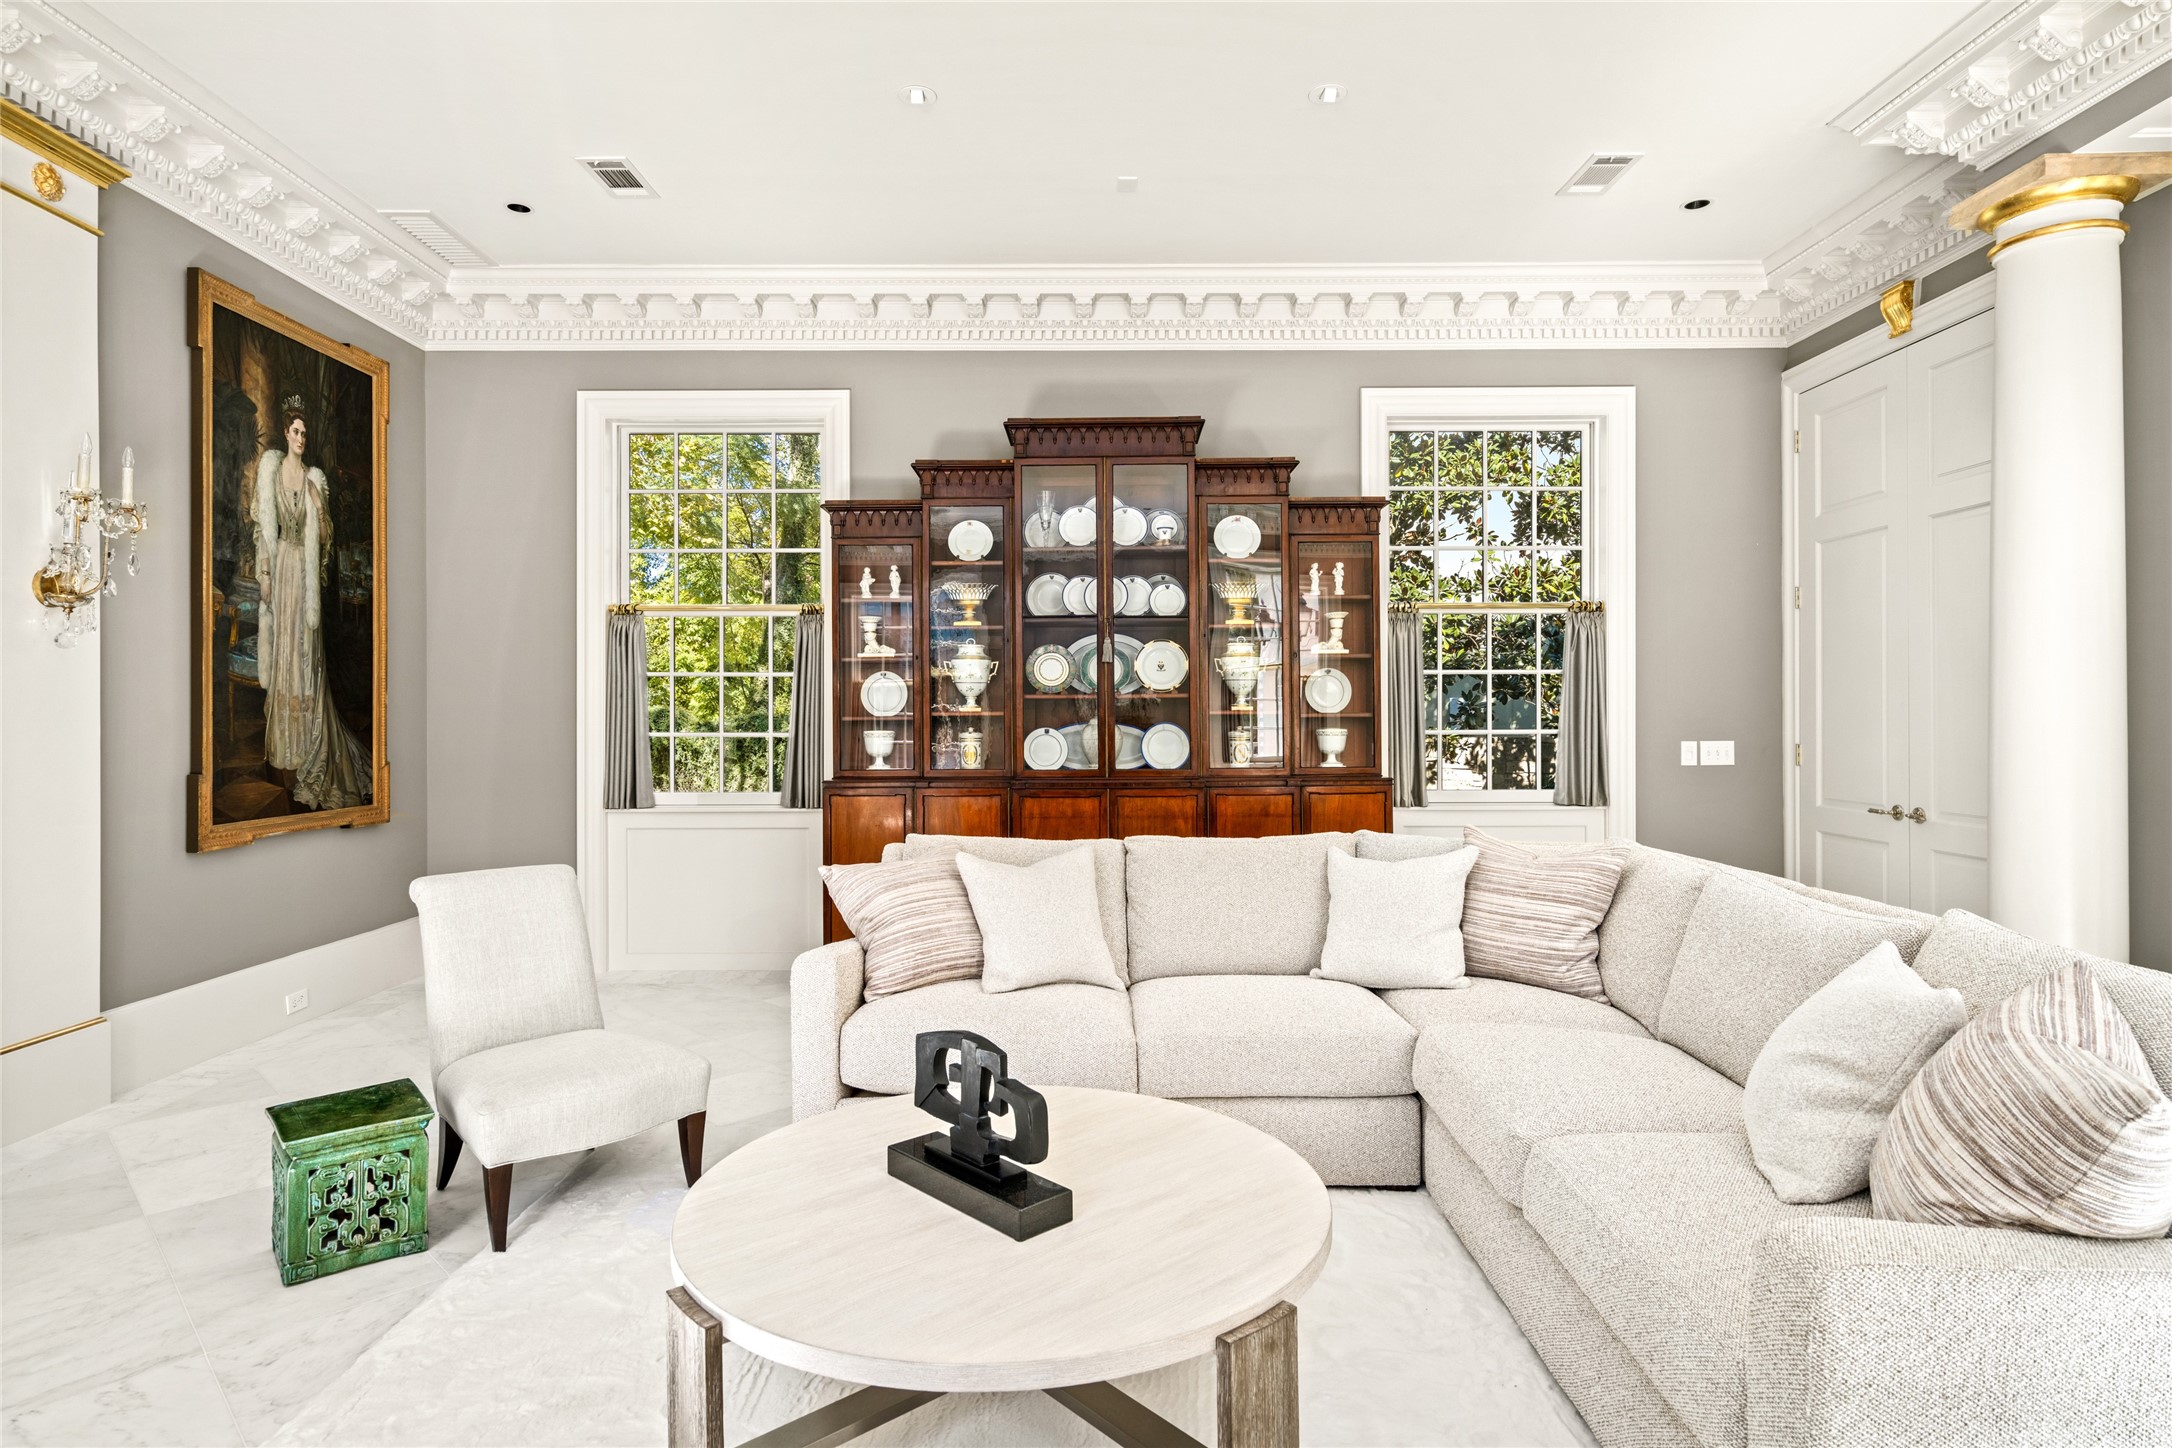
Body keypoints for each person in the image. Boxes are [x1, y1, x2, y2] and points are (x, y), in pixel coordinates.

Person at [254, 399, 369, 810]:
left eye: (305, 433)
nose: (302, 439)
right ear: (286, 434)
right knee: (284, 650)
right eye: (296, 432)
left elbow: (323, 539)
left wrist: (320, 507)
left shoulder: (312, 479)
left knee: (305, 652)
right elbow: (261, 529)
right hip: (280, 568)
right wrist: (264, 574)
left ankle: (307, 744)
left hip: (302, 575)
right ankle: (284, 745)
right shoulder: (272, 472)